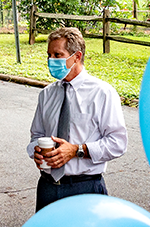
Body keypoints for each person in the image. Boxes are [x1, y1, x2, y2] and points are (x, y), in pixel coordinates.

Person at [27, 26, 128, 211]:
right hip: (47, 187)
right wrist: (36, 151)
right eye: (49, 55)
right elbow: (36, 135)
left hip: (85, 188)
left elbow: (118, 143)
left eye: (58, 55)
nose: (51, 60)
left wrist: (76, 150)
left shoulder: (102, 93)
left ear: (77, 56)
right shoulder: (47, 94)